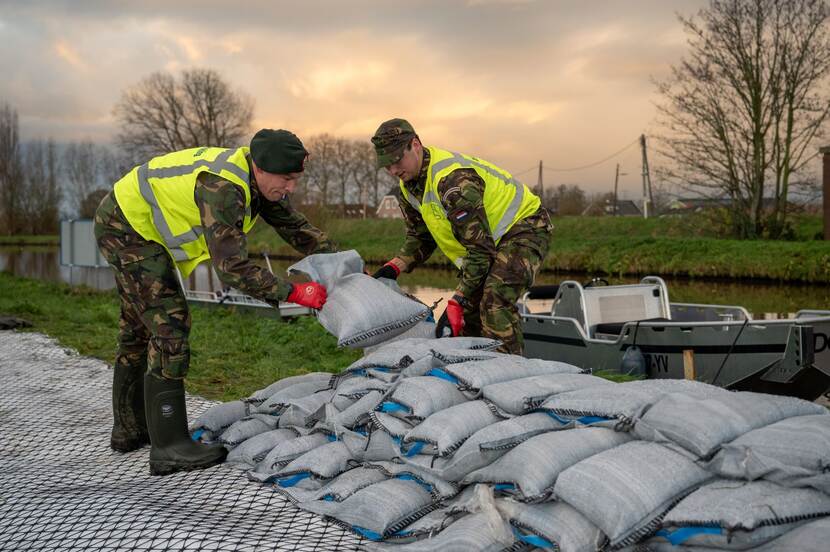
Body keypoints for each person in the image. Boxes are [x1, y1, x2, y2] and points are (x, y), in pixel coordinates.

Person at [94, 129, 333, 476]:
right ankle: (169, 447)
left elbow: (296, 228)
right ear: (262, 169)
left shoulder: (256, 179)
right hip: (126, 227)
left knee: (137, 326)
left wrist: (345, 265)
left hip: (126, 218)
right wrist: (293, 292)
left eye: (296, 179)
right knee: (170, 324)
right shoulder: (223, 190)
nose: (291, 188)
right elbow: (233, 270)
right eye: (287, 179)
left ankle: (130, 430)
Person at [370, 119, 552, 355]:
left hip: (524, 228)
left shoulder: (454, 182)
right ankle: (471, 373)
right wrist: (395, 266)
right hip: (486, 245)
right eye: (387, 166)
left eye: (396, 160)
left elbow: (480, 251)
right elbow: (421, 236)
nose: (393, 170)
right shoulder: (409, 187)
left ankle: (507, 374)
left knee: (494, 301)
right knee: (466, 316)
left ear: (415, 145)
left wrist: (457, 299)